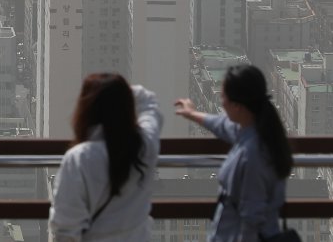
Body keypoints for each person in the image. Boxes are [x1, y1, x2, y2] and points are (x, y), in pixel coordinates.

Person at [174, 64, 293, 242]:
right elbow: (223, 125)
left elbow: (251, 219)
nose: (221, 101)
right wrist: (192, 114)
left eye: (223, 96)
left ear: (238, 106)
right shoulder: (254, 132)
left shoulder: (252, 155)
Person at [48, 73, 162, 241]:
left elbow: (65, 227)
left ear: (86, 110)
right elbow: (149, 104)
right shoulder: (145, 146)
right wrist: (120, 93)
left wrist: (105, 92)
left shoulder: (79, 159)